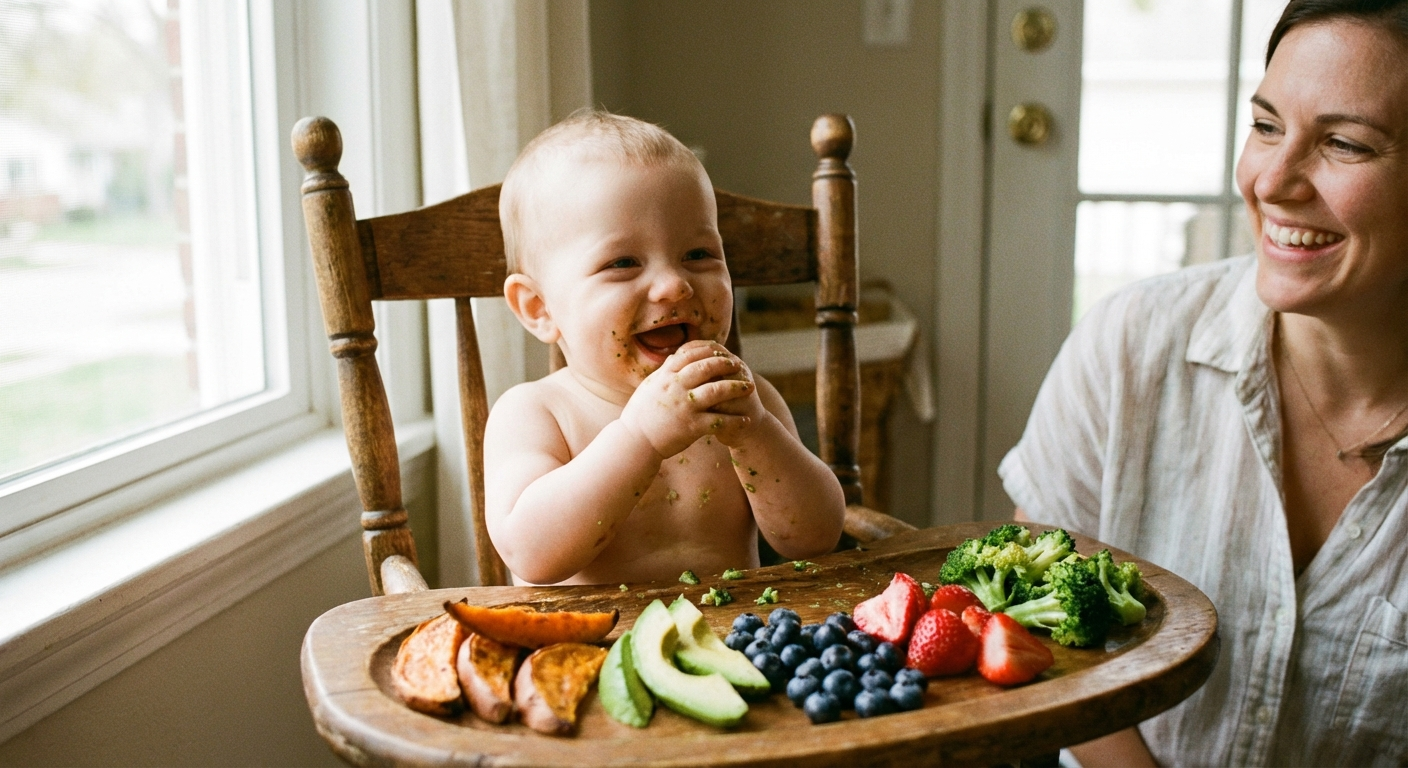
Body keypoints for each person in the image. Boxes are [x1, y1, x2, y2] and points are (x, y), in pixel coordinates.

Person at [1000, 1, 1408, 765]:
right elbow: (1031, 615)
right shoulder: (1130, 345)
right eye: (1264, 126)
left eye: (1344, 144)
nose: (1274, 180)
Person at [482, 111, 846, 587]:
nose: (674, 285)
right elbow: (531, 554)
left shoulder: (744, 404)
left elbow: (814, 538)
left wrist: (757, 432)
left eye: (699, 255)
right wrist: (640, 437)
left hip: (729, 644)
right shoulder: (536, 414)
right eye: (623, 263)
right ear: (539, 308)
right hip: (586, 651)